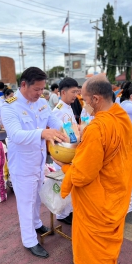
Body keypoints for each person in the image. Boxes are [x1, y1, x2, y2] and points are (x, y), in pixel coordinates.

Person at [55, 74, 132, 264]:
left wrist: (64, 165)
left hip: (100, 194)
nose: (84, 103)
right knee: (107, 235)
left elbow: (81, 175)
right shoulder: (121, 118)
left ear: (97, 99)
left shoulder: (98, 127)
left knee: (98, 237)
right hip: (116, 187)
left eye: (85, 99)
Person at [0, 67, 66, 258]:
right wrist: (42, 133)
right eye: (36, 89)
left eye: (42, 89)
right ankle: (29, 240)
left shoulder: (42, 102)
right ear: (23, 85)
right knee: (26, 202)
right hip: (22, 164)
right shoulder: (9, 106)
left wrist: (69, 130)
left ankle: (36, 224)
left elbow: (55, 122)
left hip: (38, 162)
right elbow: (16, 135)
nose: (40, 93)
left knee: (37, 197)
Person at [52, 77, 79, 225]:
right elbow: (56, 135)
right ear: (63, 92)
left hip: (70, 153)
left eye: (77, 91)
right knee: (63, 184)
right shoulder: (58, 111)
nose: (76, 95)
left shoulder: (69, 107)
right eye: (73, 92)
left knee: (69, 184)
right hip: (63, 154)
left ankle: (67, 211)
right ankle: (62, 215)